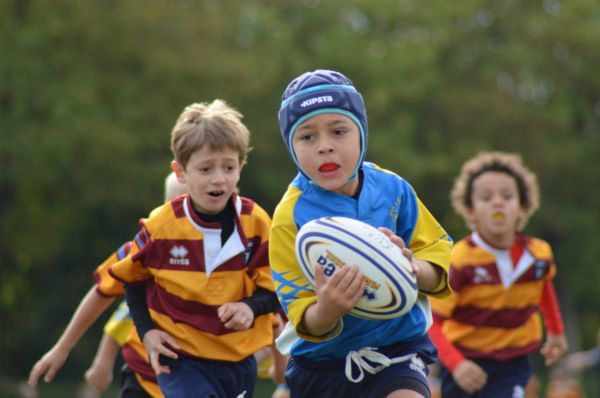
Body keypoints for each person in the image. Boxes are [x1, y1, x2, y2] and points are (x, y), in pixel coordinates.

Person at [269, 69, 453, 398]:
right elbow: (299, 311)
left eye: (339, 131)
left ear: (362, 133)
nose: (325, 147)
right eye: (307, 137)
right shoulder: (289, 218)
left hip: (395, 350)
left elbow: (438, 251)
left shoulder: (394, 188)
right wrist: (328, 309)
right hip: (321, 367)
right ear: (291, 146)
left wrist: (411, 267)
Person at [109, 99, 279, 398]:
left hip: (237, 360)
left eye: (228, 167)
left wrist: (248, 308)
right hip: (180, 357)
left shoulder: (257, 223)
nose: (218, 178)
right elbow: (132, 280)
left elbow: (275, 288)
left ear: (241, 168)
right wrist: (147, 332)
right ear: (181, 172)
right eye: (205, 168)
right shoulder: (160, 226)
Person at [28, 171, 187, 398]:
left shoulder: (237, 251)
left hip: (208, 376)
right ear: (164, 208)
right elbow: (115, 302)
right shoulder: (142, 250)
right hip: (146, 377)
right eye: (180, 204)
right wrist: (65, 348)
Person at [428, 151, 569, 398]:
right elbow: (432, 320)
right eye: (486, 197)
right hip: (466, 362)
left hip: (513, 362)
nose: (498, 203)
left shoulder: (538, 254)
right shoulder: (461, 260)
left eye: (507, 196)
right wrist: (457, 364)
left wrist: (556, 332)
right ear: (470, 211)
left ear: (523, 208)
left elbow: (543, 288)